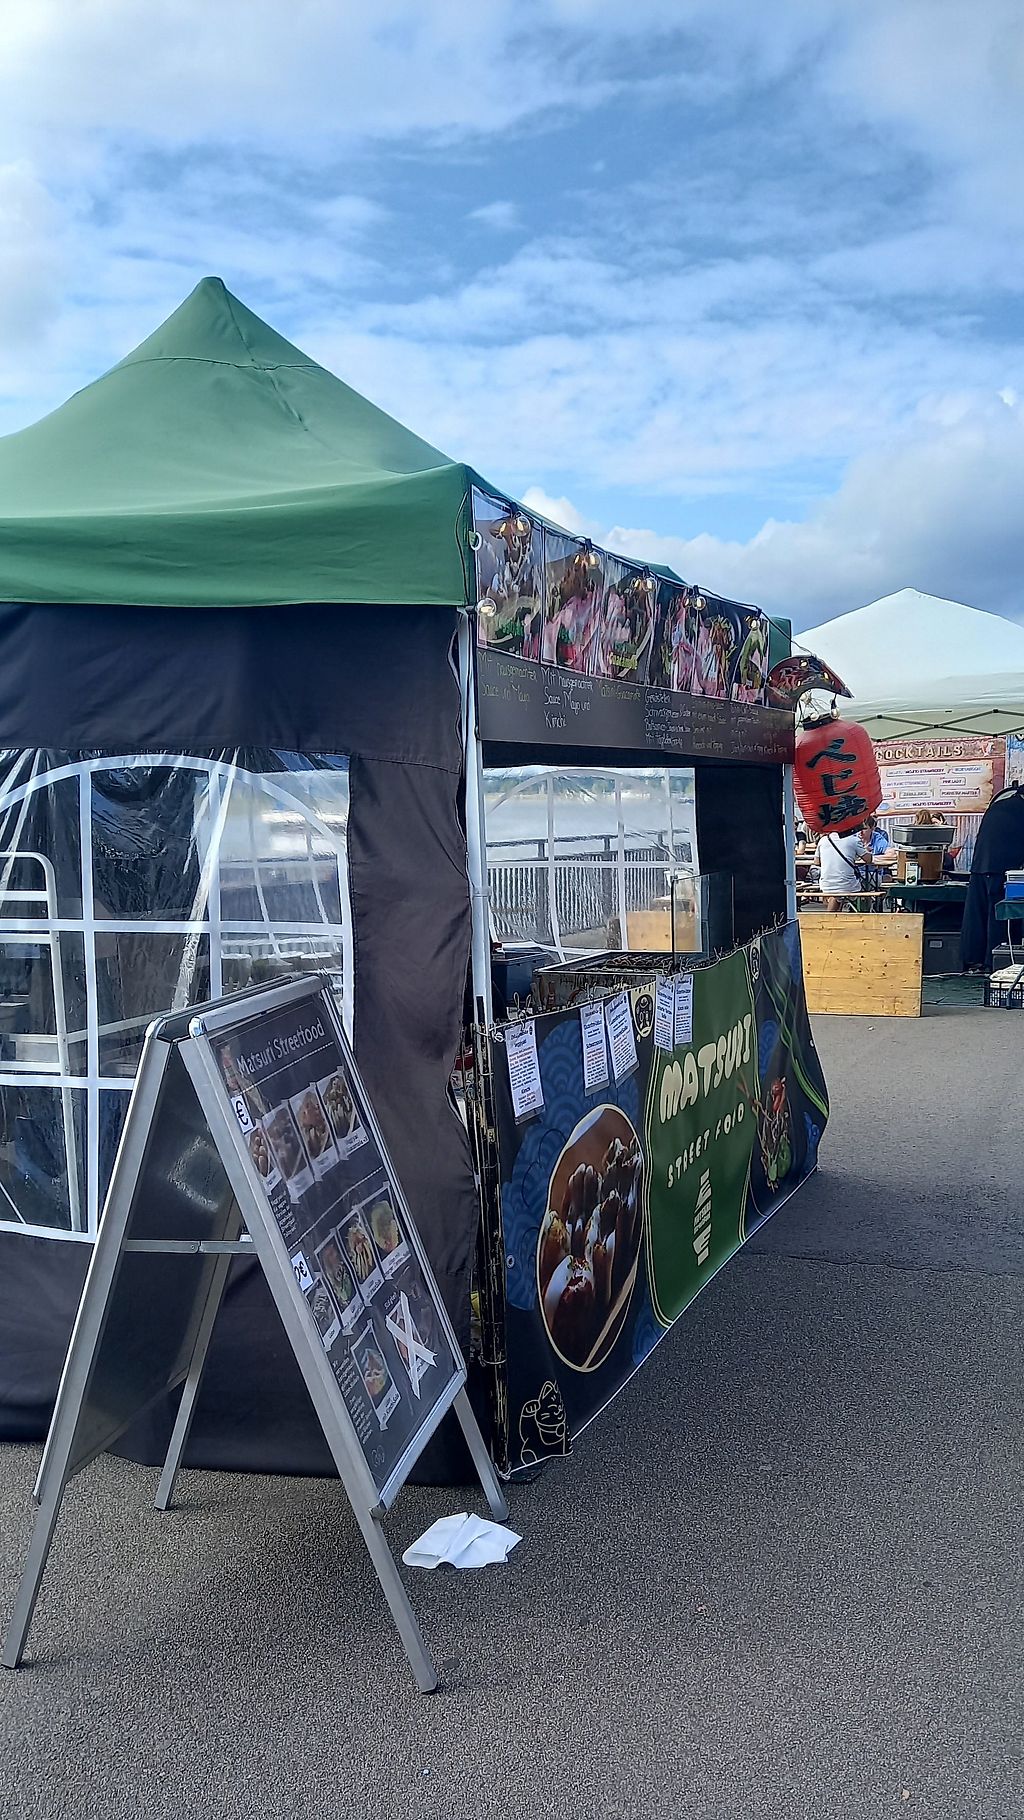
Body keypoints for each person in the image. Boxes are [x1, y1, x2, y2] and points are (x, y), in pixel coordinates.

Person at [817, 824, 864, 910]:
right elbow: (869, 859)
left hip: (826, 884)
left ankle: (835, 914)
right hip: (847, 885)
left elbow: (816, 862)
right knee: (867, 884)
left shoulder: (823, 840)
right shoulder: (854, 840)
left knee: (837, 893)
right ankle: (863, 911)